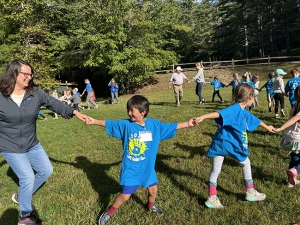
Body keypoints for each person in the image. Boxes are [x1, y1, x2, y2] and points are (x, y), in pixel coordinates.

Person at [0, 59, 87, 225]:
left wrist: (74, 112)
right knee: (27, 177)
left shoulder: (35, 93)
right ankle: (25, 217)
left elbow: (53, 104)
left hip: (31, 143)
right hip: (9, 145)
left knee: (45, 170)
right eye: (26, 73)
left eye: (31, 74)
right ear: (13, 73)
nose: (29, 77)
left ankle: (21, 196)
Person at [85, 95, 195, 224]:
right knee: (125, 196)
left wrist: (188, 123)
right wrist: (94, 121)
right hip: (131, 168)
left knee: (153, 191)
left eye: (132, 110)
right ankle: (110, 211)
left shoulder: (154, 125)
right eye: (128, 110)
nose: (129, 113)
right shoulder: (126, 125)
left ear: (143, 112)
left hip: (147, 168)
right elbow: (109, 123)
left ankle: (150, 205)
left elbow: (171, 127)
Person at [194, 83, 275, 209]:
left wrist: (267, 127)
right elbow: (218, 114)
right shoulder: (235, 109)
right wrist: (203, 117)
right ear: (250, 98)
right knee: (246, 163)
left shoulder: (242, 111)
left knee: (216, 170)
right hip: (231, 145)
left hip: (220, 144)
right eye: (253, 97)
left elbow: (255, 120)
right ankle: (250, 191)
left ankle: (212, 197)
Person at [274, 86, 300, 188]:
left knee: (294, 158)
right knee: (296, 161)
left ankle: (290, 181)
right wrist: (280, 128)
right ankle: (295, 170)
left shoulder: (295, 105)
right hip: (298, 138)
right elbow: (294, 119)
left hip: (290, 137)